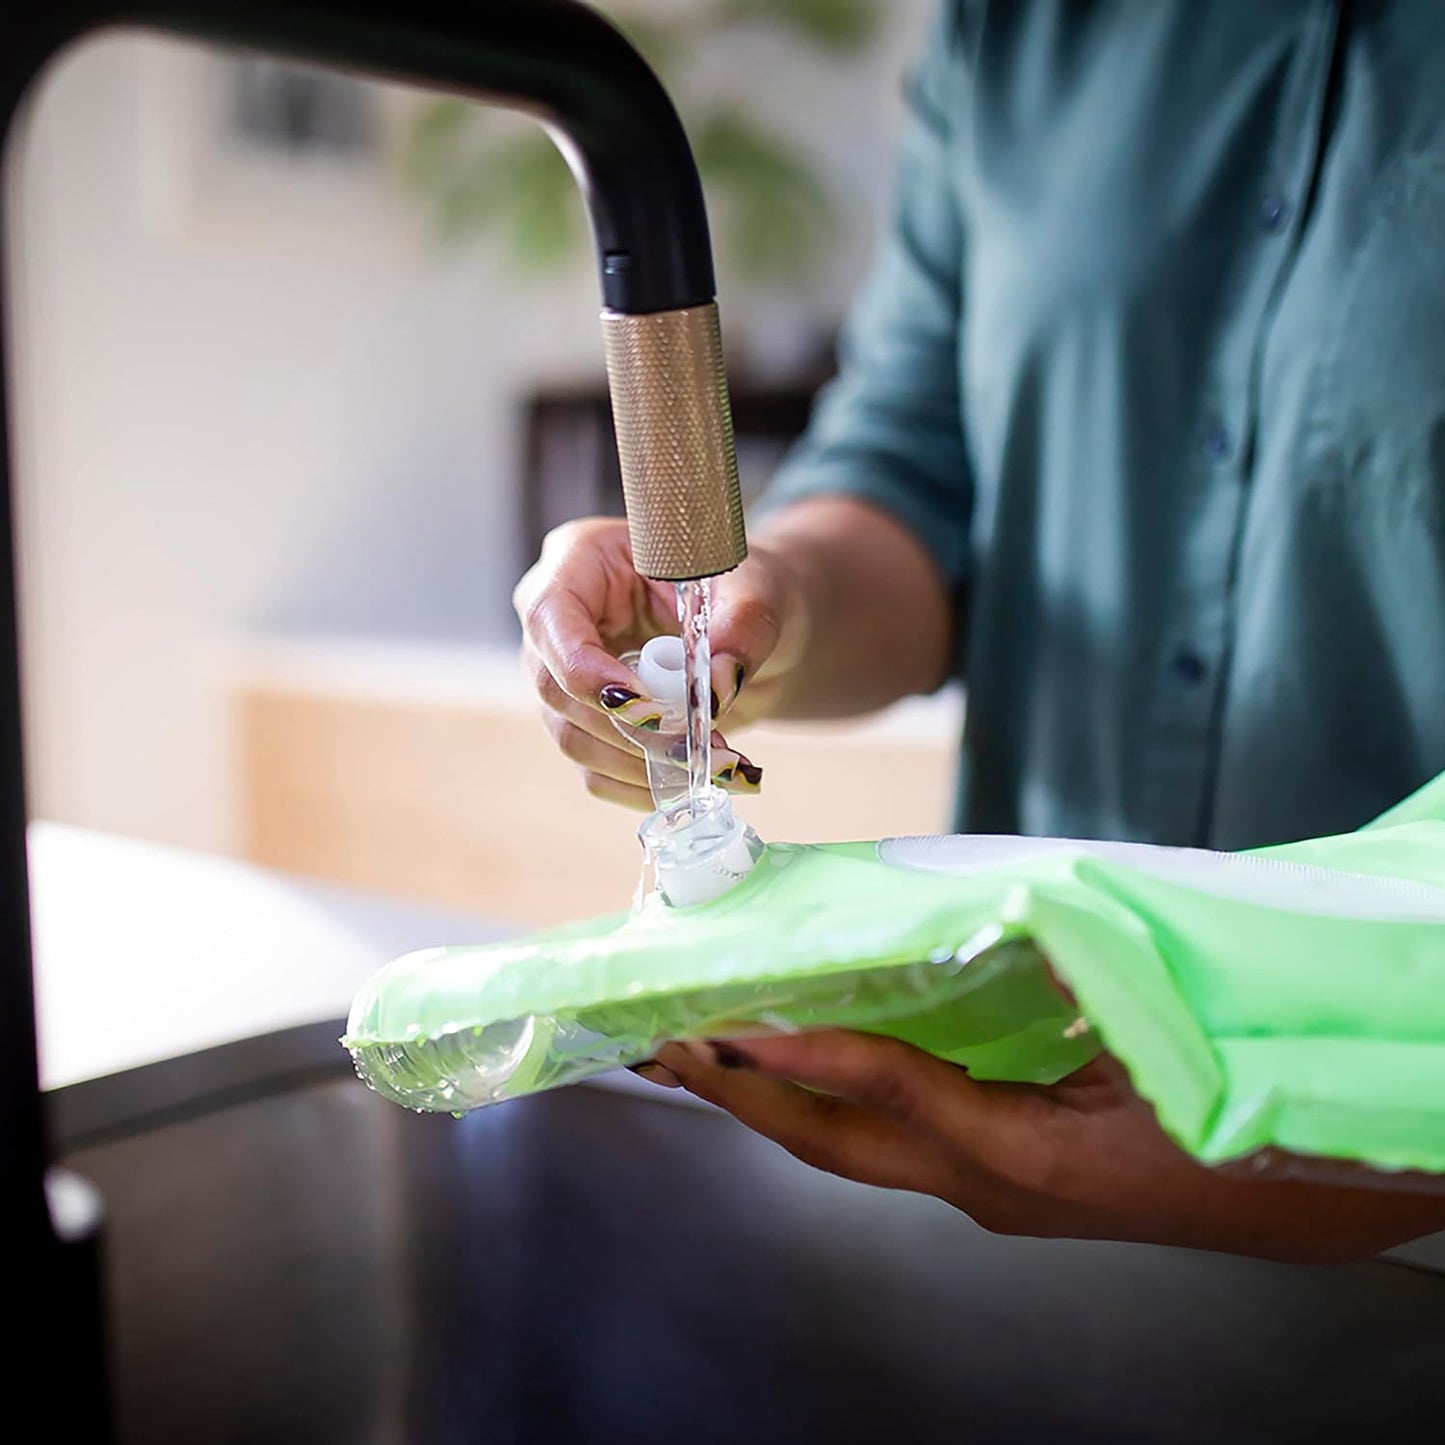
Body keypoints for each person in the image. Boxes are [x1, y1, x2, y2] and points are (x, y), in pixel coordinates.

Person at [513, 1, 1445, 1261]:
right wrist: (763, 604)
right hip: (1027, 1069)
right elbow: (913, 474)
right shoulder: (1017, 36)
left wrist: (1380, 1138)